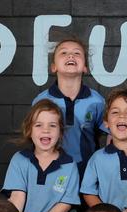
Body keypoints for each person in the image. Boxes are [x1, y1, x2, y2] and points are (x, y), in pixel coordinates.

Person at [33, 35, 107, 175]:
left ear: (85, 67)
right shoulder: (41, 100)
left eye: (77, 53)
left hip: (87, 172)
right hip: (51, 171)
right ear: (53, 67)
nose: (71, 56)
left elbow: (110, 134)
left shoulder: (97, 101)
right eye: (64, 53)